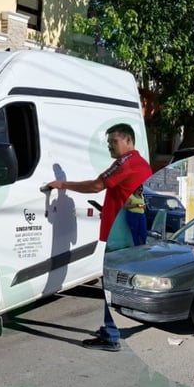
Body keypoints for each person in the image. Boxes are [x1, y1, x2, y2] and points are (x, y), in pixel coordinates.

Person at [46, 123, 152, 351]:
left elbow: (96, 186)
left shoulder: (126, 162)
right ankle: (120, 328)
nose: (110, 147)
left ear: (128, 141)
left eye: (114, 142)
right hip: (134, 226)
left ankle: (112, 335)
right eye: (108, 143)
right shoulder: (142, 164)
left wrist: (62, 184)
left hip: (123, 231)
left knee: (112, 282)